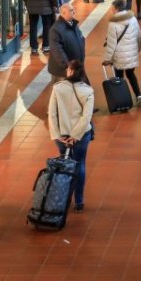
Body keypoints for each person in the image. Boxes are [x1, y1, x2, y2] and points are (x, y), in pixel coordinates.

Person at [47, 60, 96, 212]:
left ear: (70, 71)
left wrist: (57, 135)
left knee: (64, 165)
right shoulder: (88, 91)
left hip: (62, 135)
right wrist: (76, 135)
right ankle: (79, 202)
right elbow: (86, 117)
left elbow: (52, 113)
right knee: (80, 164)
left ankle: (63, 198)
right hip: (81, 136)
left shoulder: (58, 89)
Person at [103, 0, 141, 105]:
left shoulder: (113, 23)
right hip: (132, 52)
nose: (111, 10)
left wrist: (107, 59)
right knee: (131, 74)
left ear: (116, 8)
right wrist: (137, 49)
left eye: (112, 8)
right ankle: (138, 94)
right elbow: (139, 36)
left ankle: (123, 98)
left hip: (119, 55)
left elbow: (111, 43)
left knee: (119, 78)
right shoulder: (133, 19)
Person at [48, 3, 85, 83]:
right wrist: (67, 66)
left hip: (74, 69)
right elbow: (57, 51)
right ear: (64, 13)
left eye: (73, 9)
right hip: (63, 72)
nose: (74, 12)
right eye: (71, 10)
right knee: (62, 93)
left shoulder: (73, 24)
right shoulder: (56, 29)